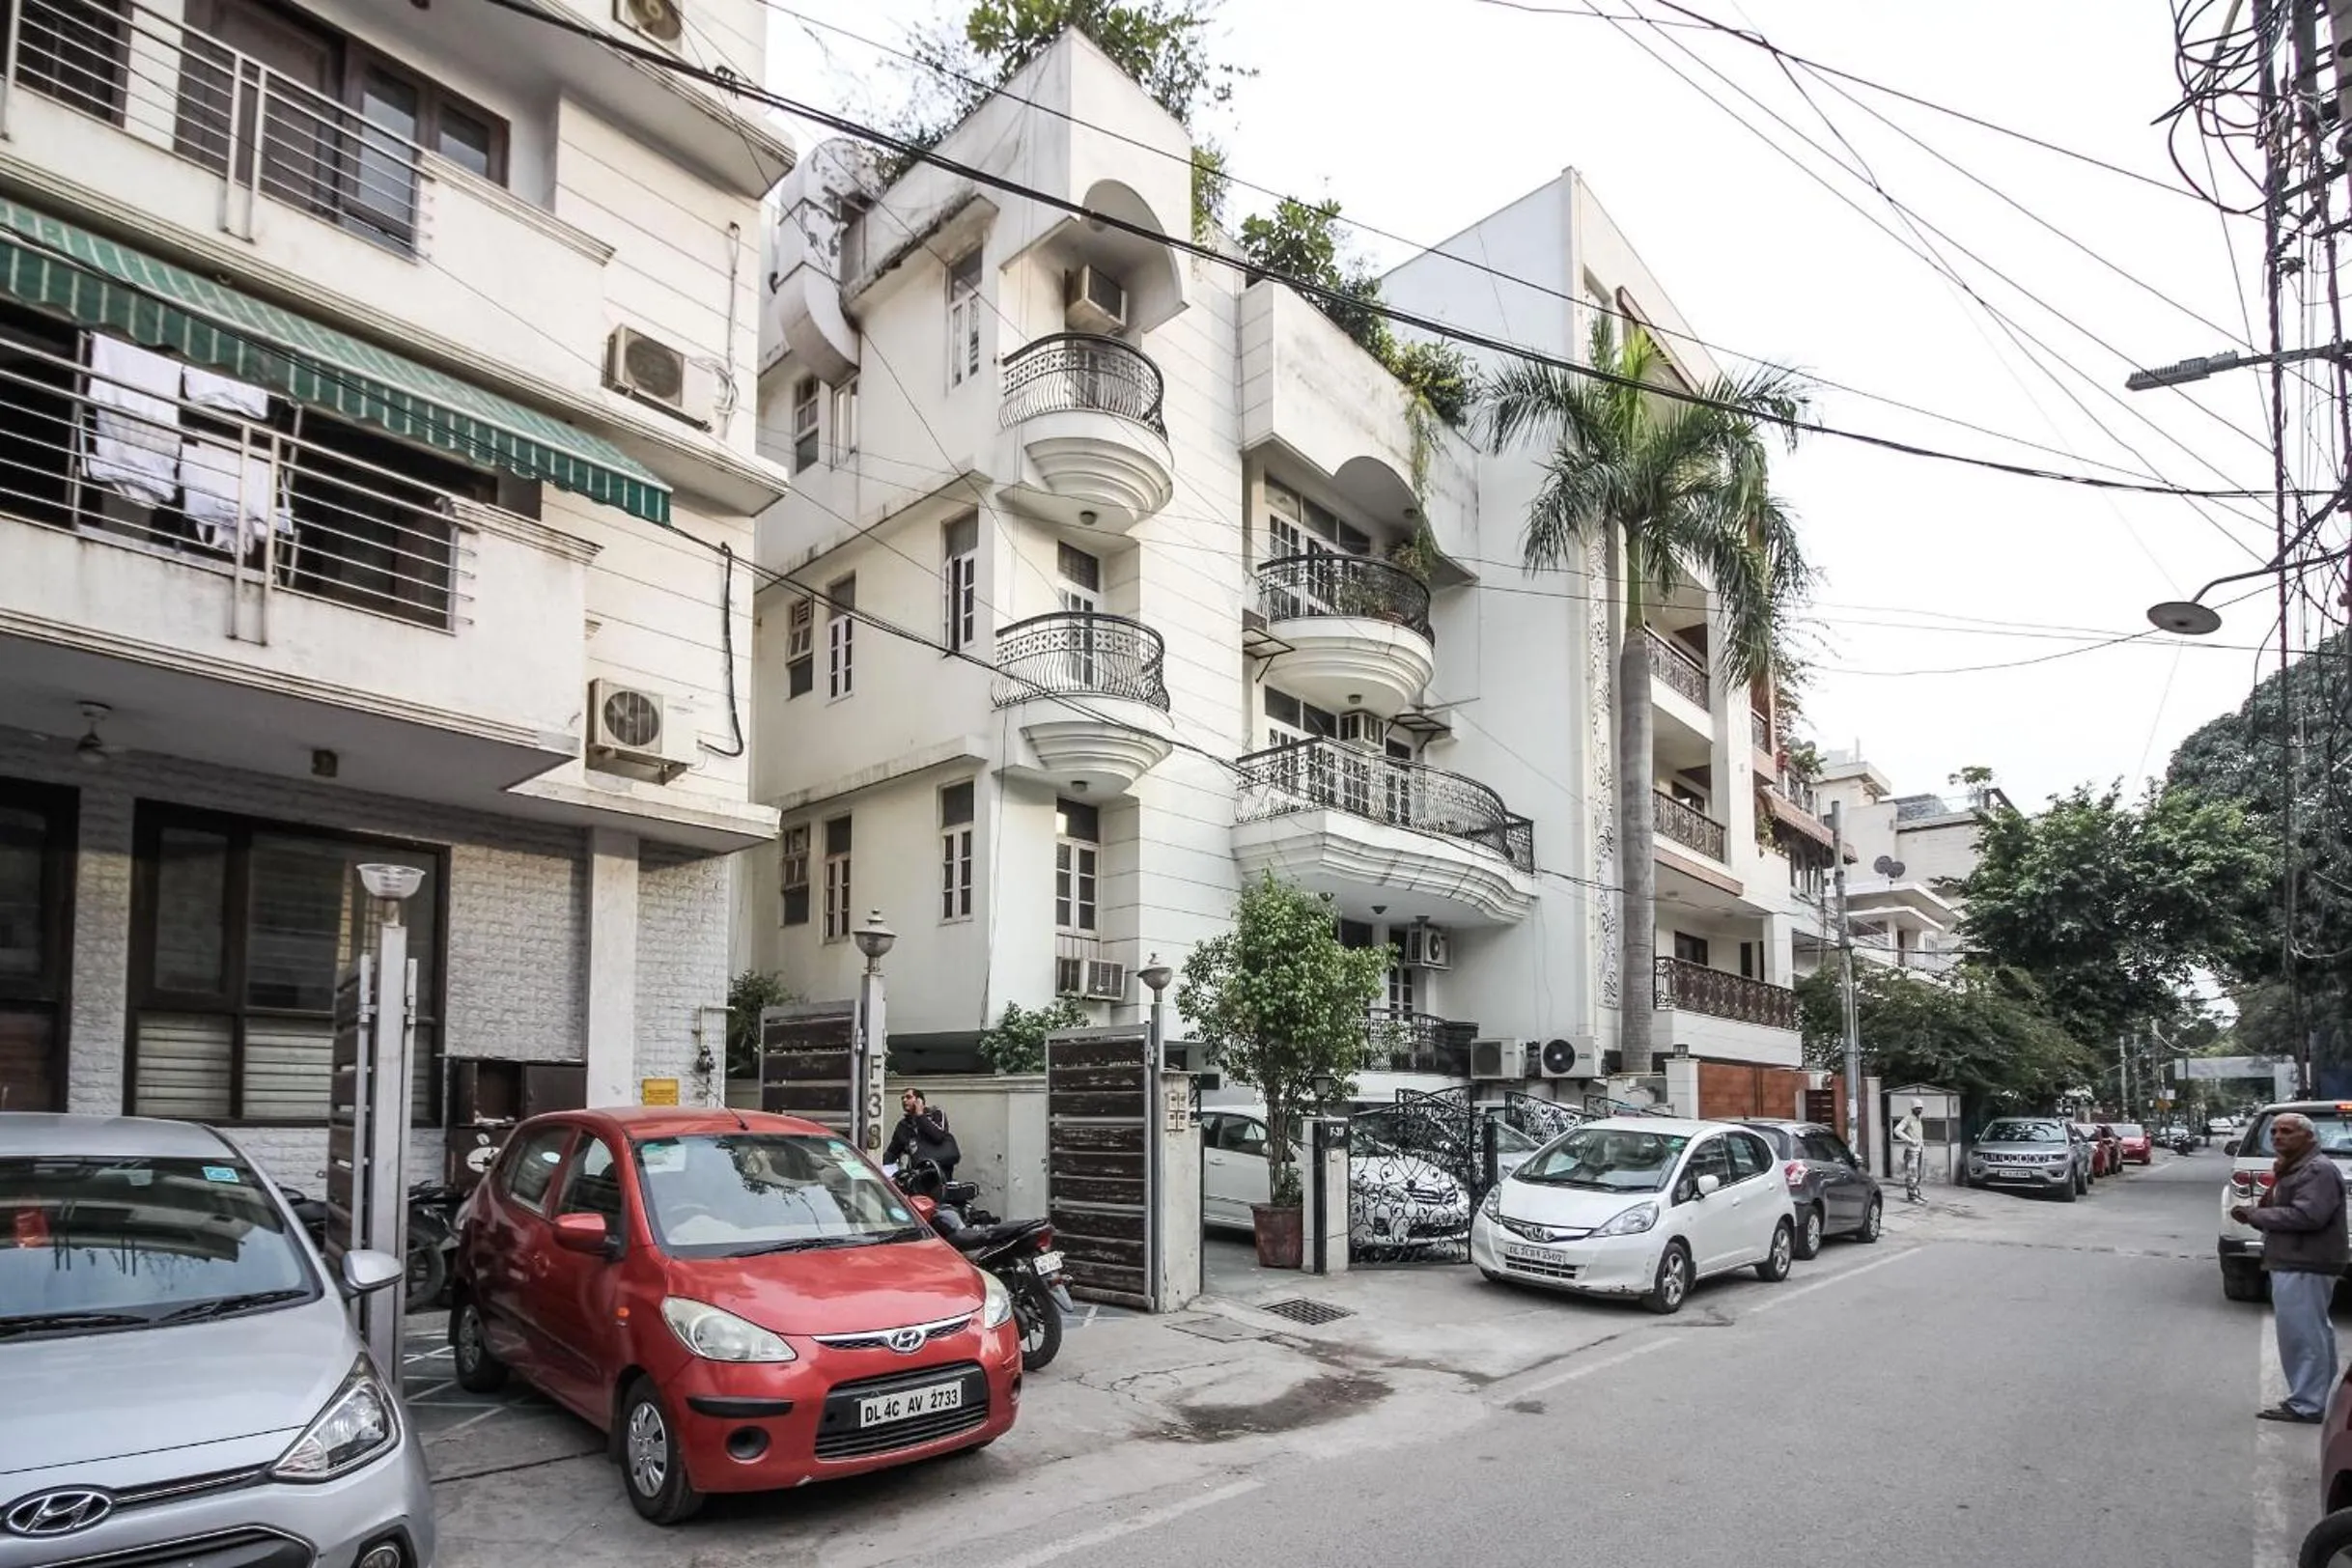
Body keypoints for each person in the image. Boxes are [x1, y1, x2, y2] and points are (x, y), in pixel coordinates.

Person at [2232, 1111, 2349, 1423]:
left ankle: (2307, 1404)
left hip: (2305, 1261)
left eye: (2287, 1132)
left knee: (2301, 1334)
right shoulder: (2296, 1168)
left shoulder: (2316, 1170)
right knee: (2313, 1331)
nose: (2278, 1137)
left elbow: (2308, 1216)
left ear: (2309, 1138)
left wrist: (2256, 1217)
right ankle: (2316, 1399)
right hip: (2299, 1259)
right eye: (2275, 1132)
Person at [882, 1088, 959, 1181]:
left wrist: (920, 1115)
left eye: (908, 1097)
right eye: (902, 1098)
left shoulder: (936, 1114)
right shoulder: (903, 1125)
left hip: (939, 1172)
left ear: (919, 1100)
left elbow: (938, 1136)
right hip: (917, 1174)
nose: (904, 1100)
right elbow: (893, 1152)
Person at [1892, 1100, 1926, 1203]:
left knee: (1918, 1173)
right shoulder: (1908, 1119)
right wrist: (1909, 1140)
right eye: (1917, 1108)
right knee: (1912, 1174)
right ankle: (1912, 1196)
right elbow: (1897, 1130)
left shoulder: (1918, 1119)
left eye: (1920, 1108)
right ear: (1913, 1109)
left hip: (1919, 1149)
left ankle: (1917, 1193)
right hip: (1911, 1150)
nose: (1919, 1110)